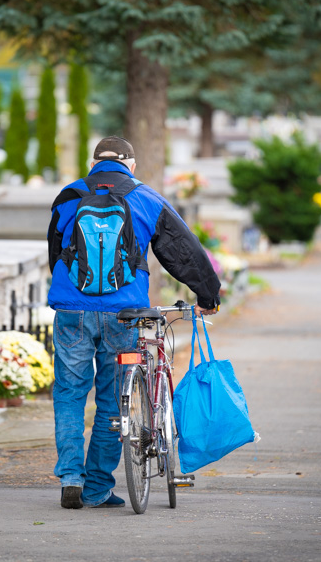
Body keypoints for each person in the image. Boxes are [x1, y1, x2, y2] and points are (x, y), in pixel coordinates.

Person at [47, 136, 221, 509]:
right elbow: (182, 251)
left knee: (69, 394)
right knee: (114, 401)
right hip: (123, 314)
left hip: (71, 312)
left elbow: (55, 252)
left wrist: (72, 293)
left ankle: (70, 478)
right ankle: (96, 488)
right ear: (130, 164)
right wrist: (207, 294)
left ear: (94, 162)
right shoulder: (146, 197)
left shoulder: (68, 196)